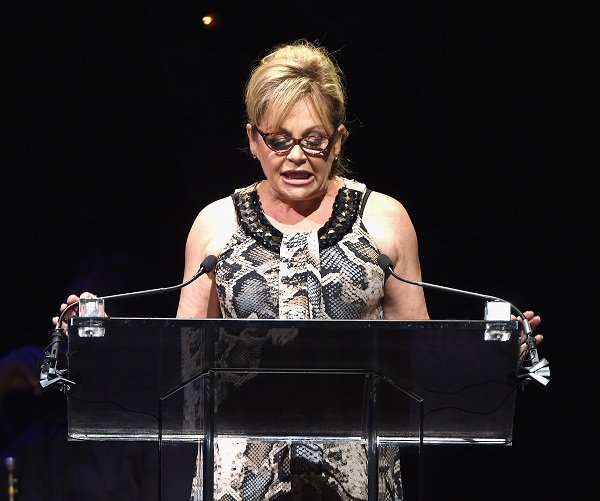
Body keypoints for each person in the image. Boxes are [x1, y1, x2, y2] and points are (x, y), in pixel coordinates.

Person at [55, 39, 543, 500]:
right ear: (252, 139)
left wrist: (495, 355)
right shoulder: (214, 225)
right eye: (279, 140)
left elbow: (422, 368)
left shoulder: (385, 221)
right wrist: (96, 342)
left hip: (360, 477)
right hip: (238, 478)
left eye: (313, 140)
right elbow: (180, 372)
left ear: (338, 140)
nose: (295, 157)